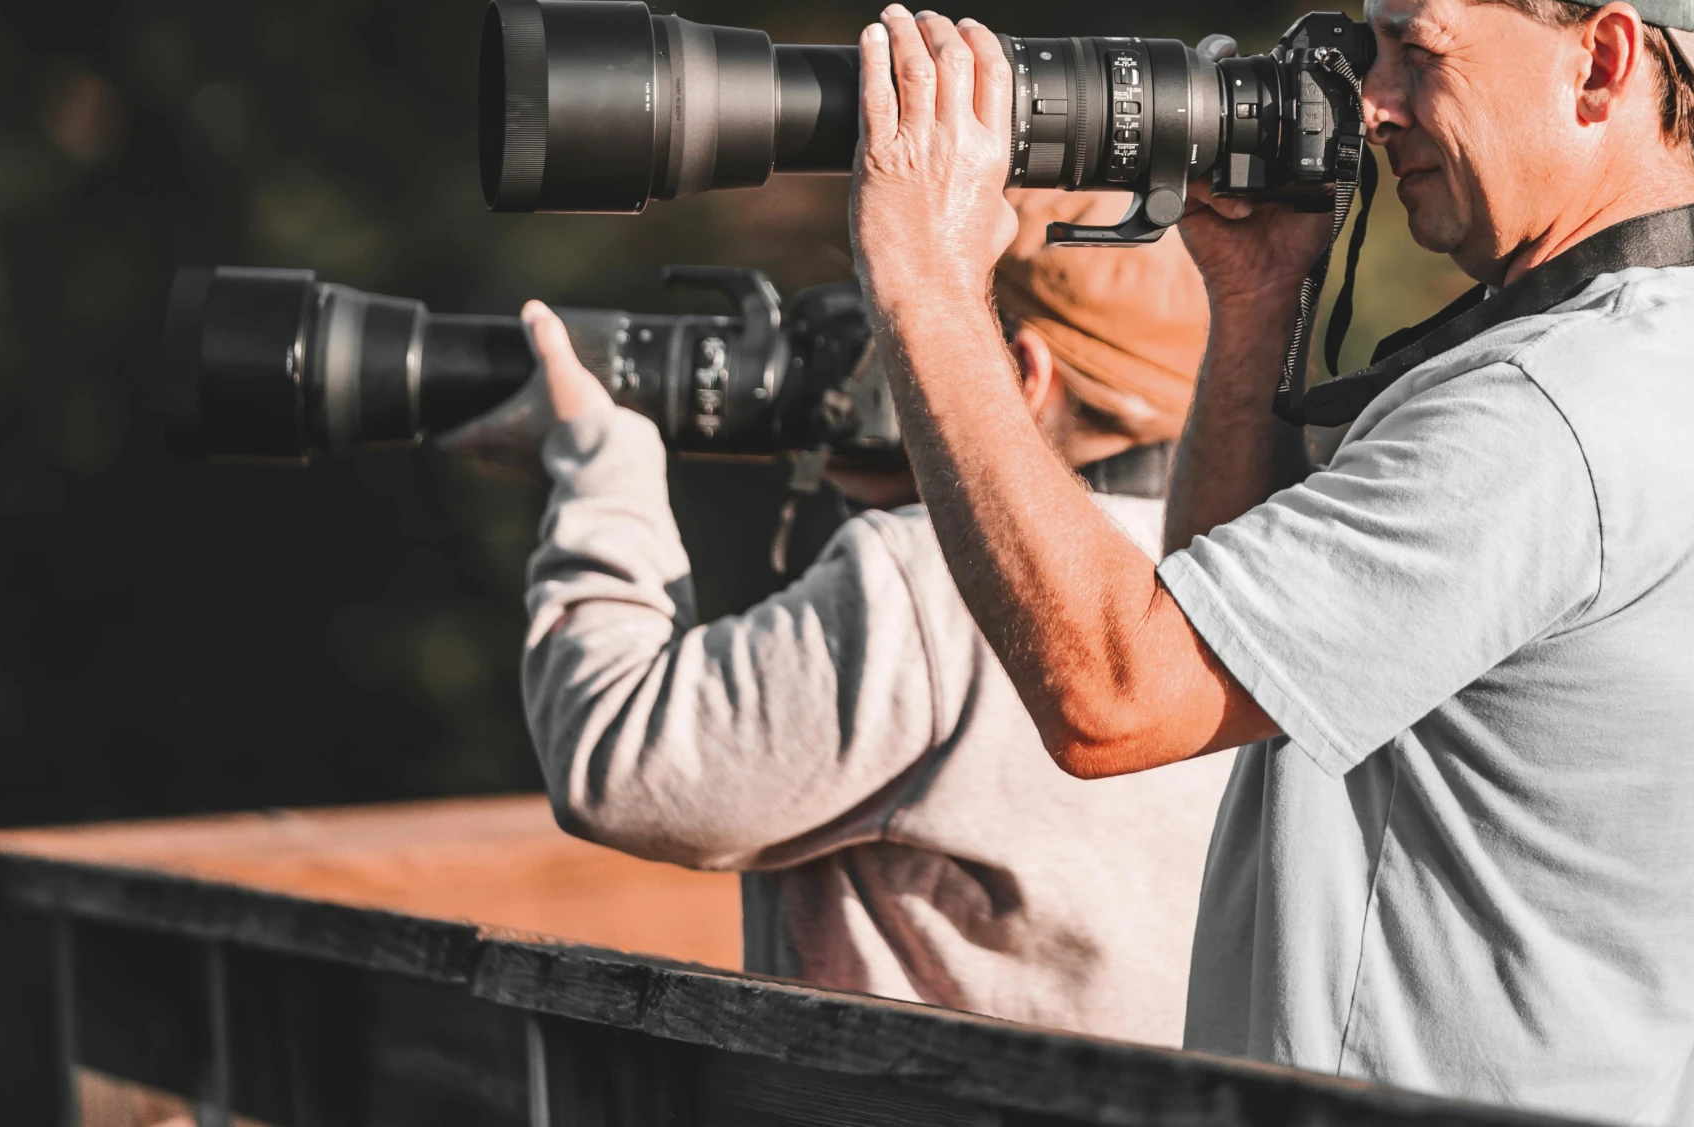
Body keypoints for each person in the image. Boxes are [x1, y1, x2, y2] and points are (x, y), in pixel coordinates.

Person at [844, 0, 1694, 1122]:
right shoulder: (1676, 345)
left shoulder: (1538, 418)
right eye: (1367, 48)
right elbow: (1220, 645)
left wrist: (926, 281)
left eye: (1418, 50)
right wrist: (1255, 305)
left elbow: (1111, 696)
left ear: (1601, 60)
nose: (1371, 99)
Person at [513, 190, 1233, 1046]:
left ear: (1020, 376)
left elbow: (619, 758)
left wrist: (599, 457)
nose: (864, 356)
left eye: (898, 325)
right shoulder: (1239, 574)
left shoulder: (934, 582)